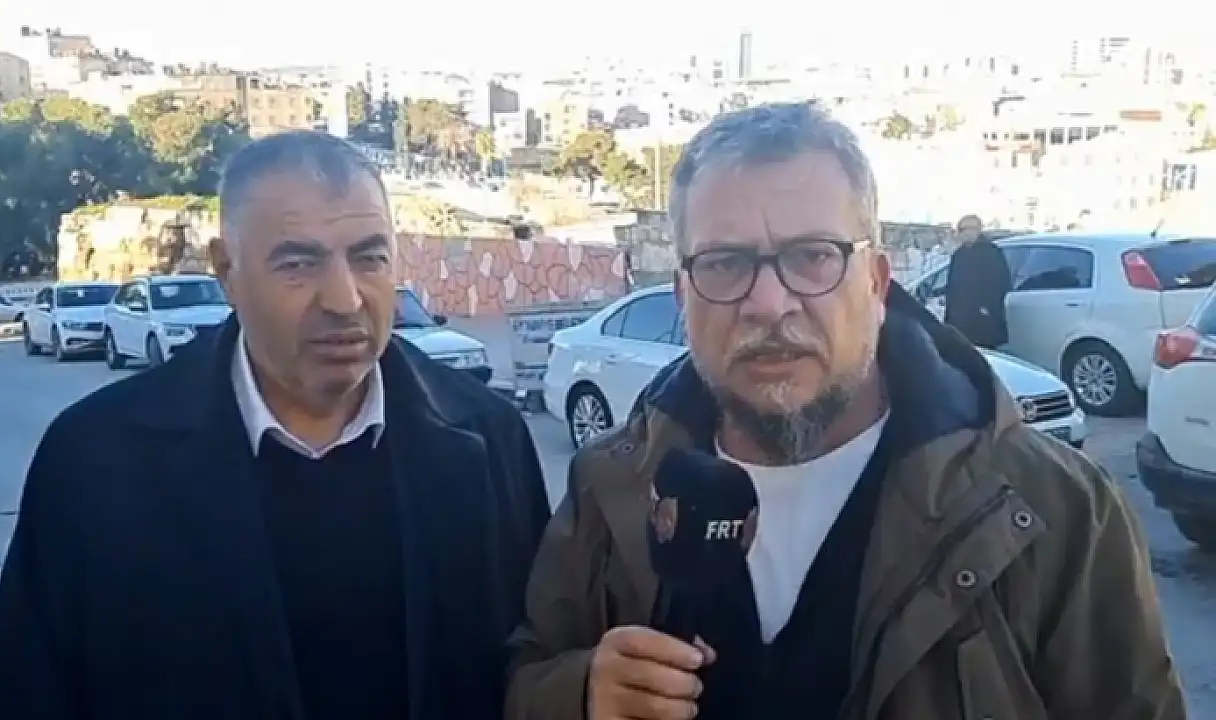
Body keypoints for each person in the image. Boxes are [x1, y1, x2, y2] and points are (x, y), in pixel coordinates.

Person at [506, 103, 1185, 720]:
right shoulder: (611, 488)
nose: (769, 304)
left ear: (877, 283)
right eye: (724, 263)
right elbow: (524, 677)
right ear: (683, 294)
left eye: (813, 257)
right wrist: (583, 693)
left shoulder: (1055, 509)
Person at [0, 131, 552, 720]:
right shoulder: (95, 464)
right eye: (298, 264)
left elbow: (534, 668)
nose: (344, 299)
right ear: (226, 271)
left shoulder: (489, 438)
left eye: (369, 258)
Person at [943, 213, 1012, 349]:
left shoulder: (991, 253)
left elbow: (1001, 284)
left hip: (983, 321)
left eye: (962, 229)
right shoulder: (959, 254)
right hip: (959, 321)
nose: (959, 234)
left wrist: (986, 307)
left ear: (975, 230)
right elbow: (953, 287)